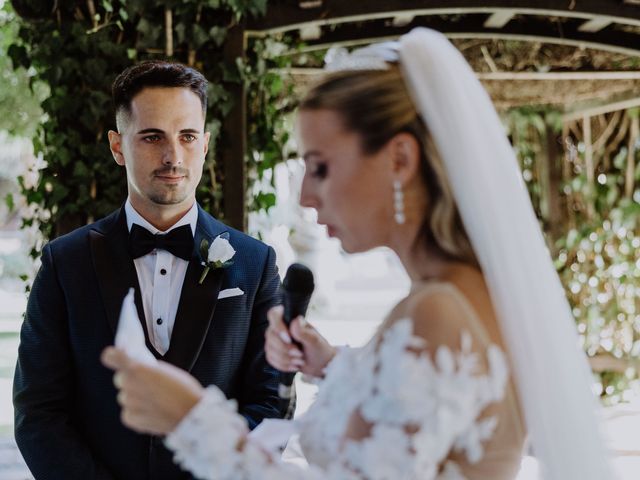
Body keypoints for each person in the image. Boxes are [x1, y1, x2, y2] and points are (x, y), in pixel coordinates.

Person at [101, 29, 613, 479]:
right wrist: (335, 367)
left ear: (399, 159)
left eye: (320, 166)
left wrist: (192, 421)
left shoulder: (437, 311)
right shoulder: (471, 294)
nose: (305, 195)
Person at [13, 60, 286, 479]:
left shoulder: (255, 263)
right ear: (117, 146)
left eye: (188, 136)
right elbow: (39, 411)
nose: (173, 155)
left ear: (206, 144)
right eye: (152, 136)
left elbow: (271, 406)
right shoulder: (64, 263)